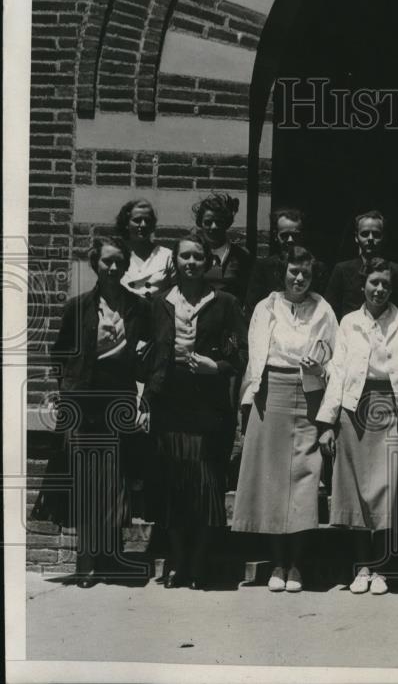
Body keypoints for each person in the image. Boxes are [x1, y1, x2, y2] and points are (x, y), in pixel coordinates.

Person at [315, 258, 398, 596]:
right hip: (354, 410)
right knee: (356, 495)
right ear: (363, 285)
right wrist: (328, 423)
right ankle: (360, 567)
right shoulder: (349, 322)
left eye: (386, 285)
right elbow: (337, 371)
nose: (379, 290)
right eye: (374, 283)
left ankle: (380, 569)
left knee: (386, 493)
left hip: (390, 410)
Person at [232, 246, 339, 593]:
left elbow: (335, 358)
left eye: (305, 273)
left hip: (308, 395)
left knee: (305, 483)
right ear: (283, 272)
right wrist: (249, 399)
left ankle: (297, 565)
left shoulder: (323, 309)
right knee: (275, 483)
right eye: (294, 271)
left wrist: (319, 369)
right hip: (272, 394)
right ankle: (277, 563)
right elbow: (255, 354)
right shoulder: (266, 307)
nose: (299, 278)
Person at [46, 237, 151, 587]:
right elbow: (60, 353)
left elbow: (146, 353)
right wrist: (68, 391)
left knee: (114, 483)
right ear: (96, 264)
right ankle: (87, 560)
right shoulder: (79, 306)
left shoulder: (138, 307)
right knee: (87, 482)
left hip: (118, 403)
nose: (113, 268)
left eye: (120, 262)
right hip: (84, 402)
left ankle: (111, 557)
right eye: (107, 261)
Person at [146, 231, 248, 590]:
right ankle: (177, 561)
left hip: (208, 408)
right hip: (169, 404)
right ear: (175, 261)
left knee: (205, 486)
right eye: (185, 256)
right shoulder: (158, 303)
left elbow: (239, 355)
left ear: (209, 262)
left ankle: (199, 562)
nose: (191, 263)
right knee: (175, 486)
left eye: (198, 257)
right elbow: (145, 351)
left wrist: (215, 366)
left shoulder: (224, 303)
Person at [324, 210, 398, 321]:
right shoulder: (342, 270)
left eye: (376, 234)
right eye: (365, 234)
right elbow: (330, 310)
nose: (370, 238)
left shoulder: (397, 271)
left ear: (384, 237)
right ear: (356, 237)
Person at [245, 207, 329, 311]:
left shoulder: (317, 268)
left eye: (295, 235)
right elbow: (251, 308)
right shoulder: (263, 268)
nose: (290, 240)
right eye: (284, 235)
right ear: (276, 236)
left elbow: (322, 306)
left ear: (303, 236)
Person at [193, 192, 254, 302]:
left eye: (219, 222)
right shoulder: (192, 254)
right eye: (208, 222)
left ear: (227, 223)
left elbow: (248, 295)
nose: (214, 226)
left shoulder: (242, 256)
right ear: (200, 223)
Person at [117, 198, 175, 299]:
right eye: (137, 220)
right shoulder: (118, 255)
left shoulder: (167, 256)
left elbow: (176, 294)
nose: (143, 225)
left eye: (147, 221)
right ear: (126, 224)